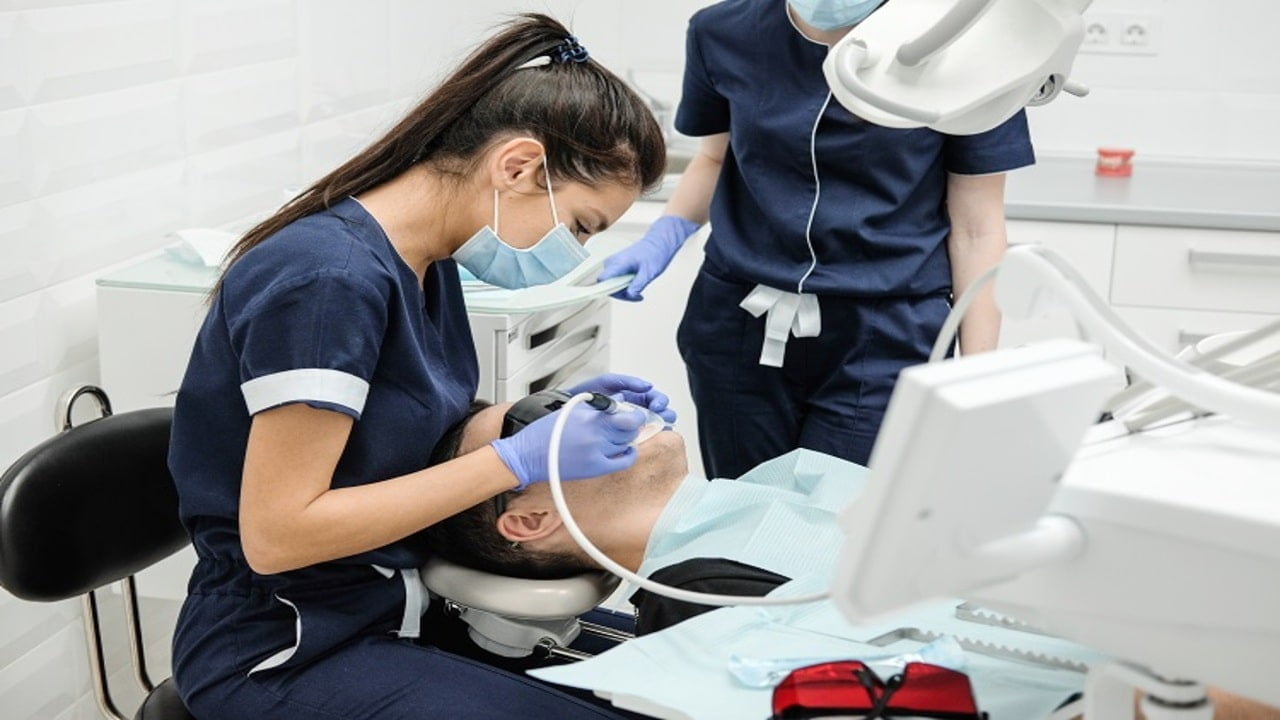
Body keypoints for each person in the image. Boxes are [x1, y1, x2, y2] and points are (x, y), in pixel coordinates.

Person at [166, 14, 675, 720]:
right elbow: (280, 535)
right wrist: (514, 459)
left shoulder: (426, 264)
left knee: (666, 687)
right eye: (581, 225)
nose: (576, 250)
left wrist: (541, 417)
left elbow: (402, 427)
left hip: (393, 603)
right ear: (518, 166)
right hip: (286, 645)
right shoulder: (328, 281)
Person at [424, 402, 1280, 720]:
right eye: (541, 420)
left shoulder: (771, 480)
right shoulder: (708, 600)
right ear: (530, 520)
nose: (590, 404)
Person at [598, 0, 1036, 478]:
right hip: (737, 322)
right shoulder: (722, 31)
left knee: (838, 527)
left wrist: (976, 375)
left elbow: (978, 228)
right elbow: (716, 159)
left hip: (886, 334)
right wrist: (664, 235)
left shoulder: (964, 46)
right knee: (740, 515)